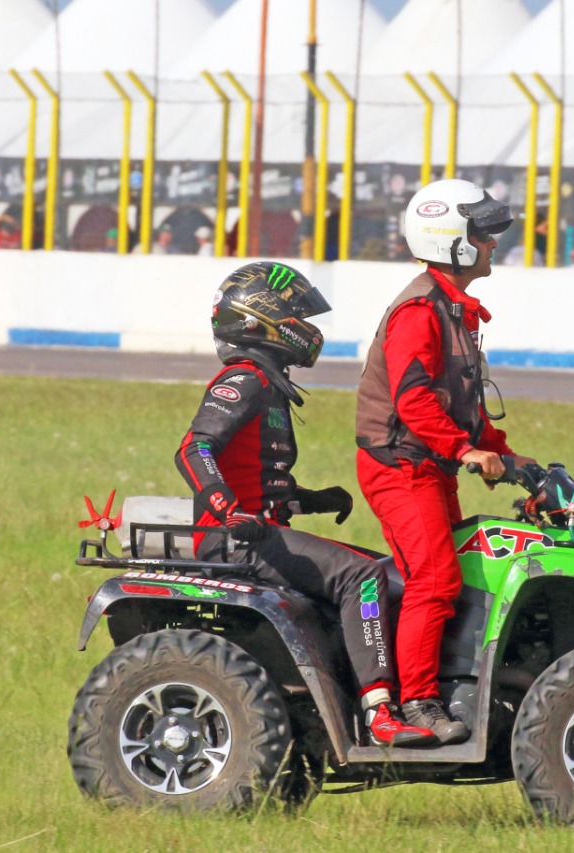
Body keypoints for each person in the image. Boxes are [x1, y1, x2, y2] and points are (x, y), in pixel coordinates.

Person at [175, 261, 436, 747]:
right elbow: (194, 449)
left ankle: (371, 688)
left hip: (260, 533)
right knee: (364, 577)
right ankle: (380, 712)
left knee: (389, 571)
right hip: (234, 540)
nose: (307, 327)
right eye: (297, 313)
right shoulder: (244, 380)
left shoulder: (267, 383)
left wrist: (312, 499)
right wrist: (228, 511)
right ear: (261, 317)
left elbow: (259, 477)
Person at [355, 178, 536, 745]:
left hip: (430, 465)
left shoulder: (453, 310)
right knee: (434, 579)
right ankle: (416, 705)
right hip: (400, 466)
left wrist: (507, 456)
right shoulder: (419, 310)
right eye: (483, 234)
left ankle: (454, 685)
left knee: (461, 573)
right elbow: (413, 401)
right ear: (453, 241)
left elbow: (465, 409)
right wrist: (465, 451)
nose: (493, 243)